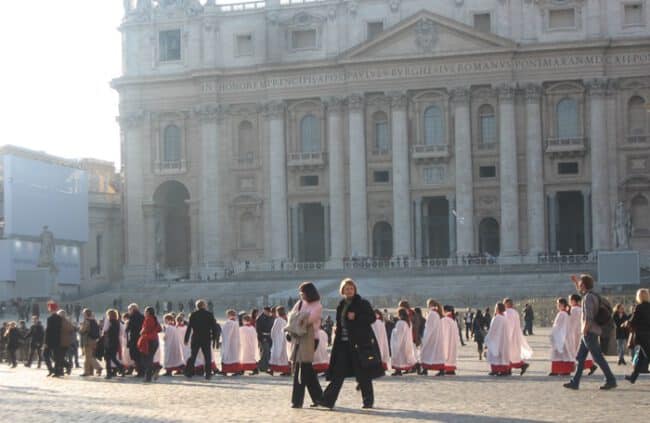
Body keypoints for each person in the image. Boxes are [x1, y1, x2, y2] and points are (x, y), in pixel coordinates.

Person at [319, 278, 383, 409]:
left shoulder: (362, 303)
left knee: (363, 373)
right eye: (346, 289)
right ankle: (327, 400)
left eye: (351, 288)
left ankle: (368, 400)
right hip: (343, 344)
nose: (349, 291)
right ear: (342, 291)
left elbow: (371, 317)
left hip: (358, 344)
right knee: (338, 373)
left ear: (355, 290)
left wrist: (357, 317)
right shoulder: (341, 305)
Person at [564, 274, 617, 390]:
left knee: (597, 357)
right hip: (590, 331)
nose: (579, 285)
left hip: (589, 331)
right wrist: (576, 281)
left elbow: (589, 316)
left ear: (584, 285)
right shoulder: (592, 295)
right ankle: (575, 382)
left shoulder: (588, 298)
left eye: (580, 283)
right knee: (580, 357)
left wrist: (585, 329)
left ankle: (611, 379)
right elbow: (581, 292)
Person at [289, 281, 324, 408]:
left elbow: (309, 320)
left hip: (310, 338)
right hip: (299, 337)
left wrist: (298, 318)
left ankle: (297, 400)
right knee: (306, 369)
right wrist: (300, 318)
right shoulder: (299, 304)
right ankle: (319, 397)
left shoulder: (317, 306)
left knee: (302, 369)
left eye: (303, 292)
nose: (301, 295)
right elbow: (291, 317)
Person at [184, 299, 219, 380]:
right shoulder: (209, 314)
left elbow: (189, 328)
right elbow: (214, 327)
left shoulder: (193, 315)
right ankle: (208, 374)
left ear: (197, 306)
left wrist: (186, 338)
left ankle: (189, 372)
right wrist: (214, 338)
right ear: (204, 306)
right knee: (207, 356)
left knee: (193, 356)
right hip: (206, 337)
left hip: (196, 337)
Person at [625, 288, 650, 384]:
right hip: (648, 334)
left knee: (647, 355)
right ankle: (633, 377)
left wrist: (627, 323)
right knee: (641, 357)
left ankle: (633, 377)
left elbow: (633, 320)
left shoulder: (639, 307)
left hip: (642, 335)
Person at [567, 294, 597, 375]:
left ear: (573, 301)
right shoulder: (581, 309)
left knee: (576, 351)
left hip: (574, 332)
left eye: (570, 300)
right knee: (582, 351)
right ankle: (590, 365)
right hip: (581, 331)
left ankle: (580, 367)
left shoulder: (573, 310)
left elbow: (569, 321)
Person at [503, 298, 532, 375]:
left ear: (507, 304)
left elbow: (509, 325)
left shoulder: (508, 313)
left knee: (508, 353)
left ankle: (515, 367)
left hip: (510, 336)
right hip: (516, 336)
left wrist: (507, 337)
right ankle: (514, 367)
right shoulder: (515, 312)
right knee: (513, 354)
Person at [549, 298, 574, 376]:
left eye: (559, 304)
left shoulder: (561, 314)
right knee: (564, 354)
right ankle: (564, 370)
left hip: (560, 336)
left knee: (558, 354)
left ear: (563, 305)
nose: (557, 306)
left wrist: (553, 334)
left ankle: (557, 371)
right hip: (565, 336)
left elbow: (557, 326)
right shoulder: (566, 314)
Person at [420, 299, 444, 375]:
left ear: (430, 305)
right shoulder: (437, 314)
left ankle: (425, 369)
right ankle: (439, 369)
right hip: (436, 336)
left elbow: (428, 327)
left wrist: (425, 337)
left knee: (426, 352)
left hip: (431, 337)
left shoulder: (431, 314)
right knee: (435, 353)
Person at [390, 308, 417, 376]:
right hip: (407, 342)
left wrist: (393, 330)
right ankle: (415, 366)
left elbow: (398, 334)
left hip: (401, 343)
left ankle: (398, 370)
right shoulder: (408, 322)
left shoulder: (400, 323)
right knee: (406, 357)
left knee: (399, 356)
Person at [138, 306, 162, 382]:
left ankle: (149, 376)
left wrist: (142, 331)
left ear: (148, 312)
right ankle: (154, 369)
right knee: (149, 358)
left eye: (145, 311)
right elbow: (159, 329)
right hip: (155, 340)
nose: (144, 313)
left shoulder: (148, 319)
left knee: (146, 359)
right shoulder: (155, 319)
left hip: (149, 341)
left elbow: (146, 329)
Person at [485, 303, 510, 376]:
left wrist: (487, 339)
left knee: (494, 355)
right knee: (501, 356)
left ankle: (495, 370)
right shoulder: (505, 318)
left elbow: (492, 330)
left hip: (496, 340)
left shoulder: (497, 318)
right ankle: (503, 370)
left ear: (498, 309)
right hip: (504, 340)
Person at [78, 309, 103, 377]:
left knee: (88, 357)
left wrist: (80, 327)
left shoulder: (86, 321)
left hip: (88, 341)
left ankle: (97, 368)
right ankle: (89, 371)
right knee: (90, 356)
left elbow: (82, 331)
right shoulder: (94, 321)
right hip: (94, 341)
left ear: (85, 314)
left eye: (83, 314)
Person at [268, 306, 290, 376]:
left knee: (275, 355)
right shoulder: (284, 320)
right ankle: (286, 370)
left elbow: (273, 331)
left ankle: (272, 369)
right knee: (283, 355)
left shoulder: (277, 320)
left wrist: (273, 338)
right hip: (284, 340)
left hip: (277, 340)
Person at [440, 305, 461, 375]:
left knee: (447, 354)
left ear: (445, 311)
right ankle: (451, 369)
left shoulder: (445, 320)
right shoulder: (453, 320)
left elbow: (442, 332)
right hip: (453, 342)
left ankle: (447, 368)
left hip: (447, 340)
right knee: (451, 355)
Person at [103, 309, 124, 379]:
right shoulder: (118, 322)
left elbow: (105, 330)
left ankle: (109, 373)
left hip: (109, 342)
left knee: (108, 358)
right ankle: (121, 368)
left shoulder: (109, 322)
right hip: (115, 342)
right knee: (113, 358)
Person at [220, 309, 242, 375]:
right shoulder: (236, 322)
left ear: (229, 315)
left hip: (229, 343)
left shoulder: (229, 322)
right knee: (235, 357)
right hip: (235, 342)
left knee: (227, 356)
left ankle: (225, 370)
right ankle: (236, 370)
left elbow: (226, 333)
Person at [125, 303, 144, 377]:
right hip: (141, 338)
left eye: (129, 309)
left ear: (132, 309)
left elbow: (128, 328)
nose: (128, 311)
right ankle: (142, 370)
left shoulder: (132, 317)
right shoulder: (142, 316)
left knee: (135, 355)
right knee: (140, 355)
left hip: (134, 338)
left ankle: (140, 371)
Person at [255, 306, 274, 373]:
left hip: (270, 337)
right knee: (264, 352)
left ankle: (266, 365)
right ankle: (263, 367)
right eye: (267, 312)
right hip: (263, 337)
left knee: (268, 352)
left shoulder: (271, 318)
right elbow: (258, 330)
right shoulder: (260, 319)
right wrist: (262, 338)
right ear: (264, 311)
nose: (269, 313)